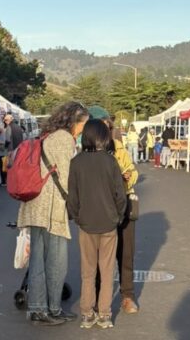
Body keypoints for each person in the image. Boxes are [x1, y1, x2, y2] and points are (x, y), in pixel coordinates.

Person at [17, 101, 89, 326]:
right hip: (50, 207)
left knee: (38, 259)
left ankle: (42, 308)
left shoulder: (48, 134)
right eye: (82, 125)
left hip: (35, 204)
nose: (82, 130)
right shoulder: (64, 139)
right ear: (74, 121)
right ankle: (49, 309)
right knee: (56, 260)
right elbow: (67, 178)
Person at [67, 119, 127, 329]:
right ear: (103, 136)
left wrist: (77, 217)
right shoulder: (111, 161)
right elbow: (120, 196)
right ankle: (104, 314)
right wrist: (117, 217)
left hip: (86, 224)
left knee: (88, 272)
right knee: (107, 271)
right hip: (109, 224)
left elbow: (72, 198)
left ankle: (86, 314)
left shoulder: (76, 162)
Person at [91, 107, 140, 316]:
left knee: (126, 253)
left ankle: (127, 296)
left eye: (107, 125)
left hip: (124, 204)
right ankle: (97, 297)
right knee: (98, 255)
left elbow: (133, 170)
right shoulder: (87, 152)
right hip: (101, 208)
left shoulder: (119, 147)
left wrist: (129, 176)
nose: (106, 128)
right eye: (101, 124)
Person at [0, 119, 9, 184]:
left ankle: (5, 181)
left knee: (4, 167)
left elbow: (4, 143)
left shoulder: (4, 133)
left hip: (3, 152)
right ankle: (3, 181)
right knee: (1, 167)